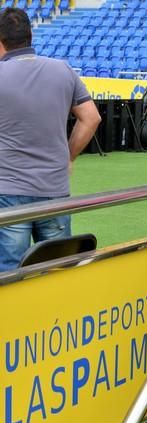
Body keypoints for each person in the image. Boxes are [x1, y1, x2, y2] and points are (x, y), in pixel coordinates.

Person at [0, 7, 101, 272]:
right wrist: (69, 155)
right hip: (54, 189)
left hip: (9, 190)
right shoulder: (62, 70)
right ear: (30, 36)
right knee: (58, 269)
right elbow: (91, 117)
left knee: (11, 272)